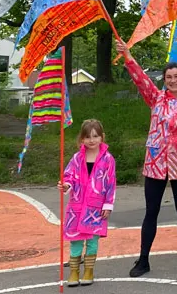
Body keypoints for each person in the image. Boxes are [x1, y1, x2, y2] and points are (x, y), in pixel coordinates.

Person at [116, 41, 177, 277]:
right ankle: (143, 260)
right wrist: (127, 56)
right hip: (155, 162)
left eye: (176, 76)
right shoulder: (156, 99)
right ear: (164, 80)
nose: (173, 80)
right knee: (151, 211)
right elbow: (140, 79)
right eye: (168, 77)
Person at [59, 119, 116, 287]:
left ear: (102, 137)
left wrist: (108, 204)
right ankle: (74, 272)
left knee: (92, 240)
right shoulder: (77, 158)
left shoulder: (107, 159)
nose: (92, 140)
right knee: (75, 239)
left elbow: (111, 183)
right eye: (88, 137)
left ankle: (89, 271)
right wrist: (66, 185)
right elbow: (69, 176)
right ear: (81, 139)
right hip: (77, 207)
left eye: (95, 136)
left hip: (96, 207)